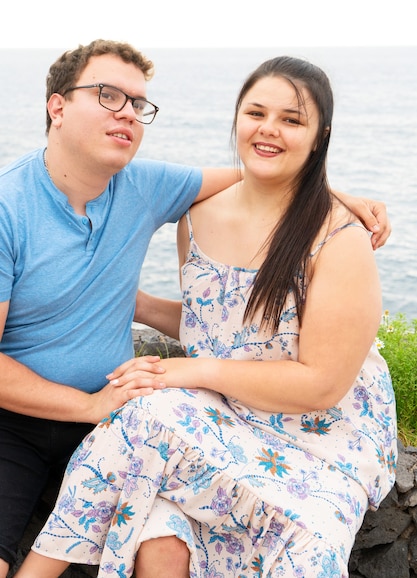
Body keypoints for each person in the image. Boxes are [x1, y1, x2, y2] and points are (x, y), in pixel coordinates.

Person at [15, 55, 397, 578]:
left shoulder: (339, 237)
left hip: (319, 437)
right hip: (218, 418)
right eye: (256, 112)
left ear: (319, 136)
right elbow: (222, 327)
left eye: (292, 120)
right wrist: (141, 305)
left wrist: (187, 371)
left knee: (149, 415)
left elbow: (321, 385)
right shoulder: (195, 218)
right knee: (161, 537)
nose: (269, 128)